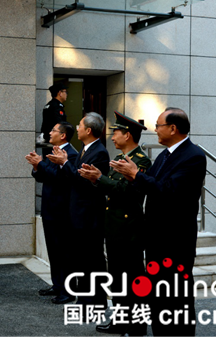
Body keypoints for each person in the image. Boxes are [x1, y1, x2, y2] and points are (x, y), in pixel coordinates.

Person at [110, 108, 206, 336]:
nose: (155, 130)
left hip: (175, 242)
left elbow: (170, 191)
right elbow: (148, 184)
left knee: (176, 299)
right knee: (159, 300)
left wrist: (135, 175)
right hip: (155, 240)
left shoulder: (193, 156)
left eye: (159, 125)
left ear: (173, 128)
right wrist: (130, 177)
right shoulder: (164, 155)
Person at [79, 111, 151, 336]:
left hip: (128, 229)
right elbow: (112, 189)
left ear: (127, 135)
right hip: (114, 226)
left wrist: (100, 178)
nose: (112, 137)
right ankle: (120, 321)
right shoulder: (120, 159)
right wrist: (97, 178)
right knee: (119, 280)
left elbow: (127, 192)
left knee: (133, 280)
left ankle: (137, 325)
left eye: (116, 132)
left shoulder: (141, 161)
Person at [47, 112, 110, 307]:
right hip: (78, 216)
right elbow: (73, 177)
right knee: (83, 261)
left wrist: (64, 163)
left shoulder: (99, 152)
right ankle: (85, 299)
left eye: (80, 125)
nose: (77, 128)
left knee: (92, 261)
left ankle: (95, 302)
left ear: (88, 130)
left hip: (89, 217)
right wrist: (64, 164)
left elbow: (81, 181)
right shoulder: (85, 149)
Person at [25, 122, 78, 303]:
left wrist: (42, 164)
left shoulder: (70, 154)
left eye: (53, 130)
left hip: (61, 211)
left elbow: (60, 178)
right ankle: (57, 285)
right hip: (49, 208)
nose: (50, 132)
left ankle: (68, 290)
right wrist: (36, 166)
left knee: (64, 253)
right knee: (53, 251)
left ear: (63, 135)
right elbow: (43, 176)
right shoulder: (53, 150)